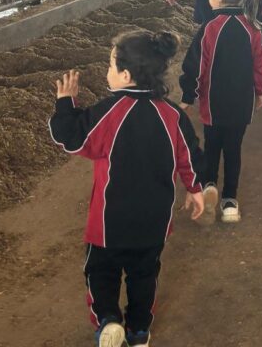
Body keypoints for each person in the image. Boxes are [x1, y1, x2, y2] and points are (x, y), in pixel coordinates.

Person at [49, 32, 204, 347]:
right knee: (144, 276)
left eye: (110, 66)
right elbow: (189, 154)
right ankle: (139, 332)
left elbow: (72, 137)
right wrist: (195, 188)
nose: (107, 72)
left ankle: (108, 319)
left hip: (109, 222)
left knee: (100, 272)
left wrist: (66, 102)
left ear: (126, 75)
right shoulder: (172, 114)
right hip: (154, 222)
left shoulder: (109, 112)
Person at [179, 0, 262, 224]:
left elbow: (195, 65)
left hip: (213, 103)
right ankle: (230, 202)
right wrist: (259, 92)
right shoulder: (252, 28)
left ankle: (209, 186)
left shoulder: (209, 28)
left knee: (212, 145)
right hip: (241, 103)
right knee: (233, 149)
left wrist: (188, 96)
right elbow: (260, 66)